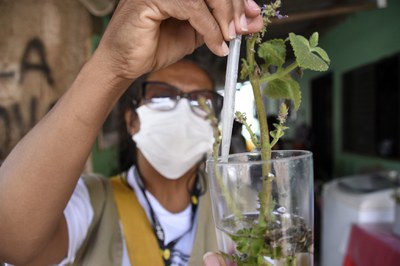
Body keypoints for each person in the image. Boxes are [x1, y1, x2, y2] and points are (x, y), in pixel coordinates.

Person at [0, 0, 263, 265]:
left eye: (201, 102)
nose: (182, 112)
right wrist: (114, 65)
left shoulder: (239, 207)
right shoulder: (92, 204)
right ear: (132, 121)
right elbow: (9, 234)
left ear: (215, 126)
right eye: (162, 97)